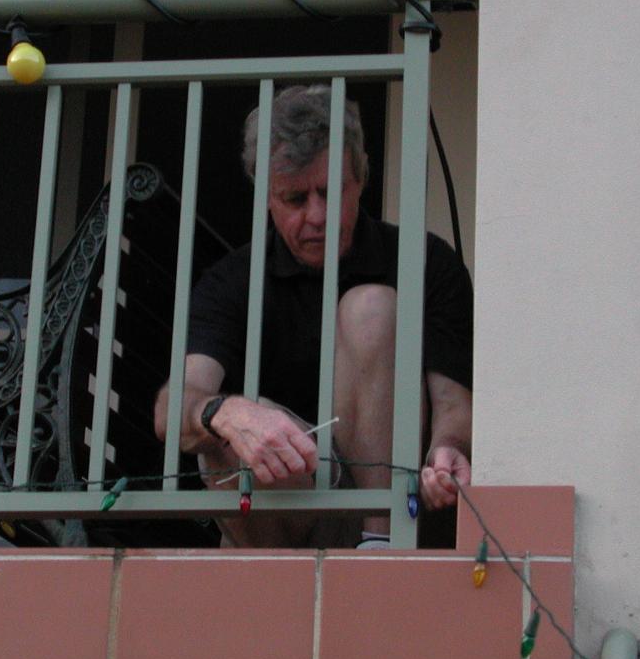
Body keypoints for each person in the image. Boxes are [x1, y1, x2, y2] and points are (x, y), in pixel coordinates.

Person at [153, 84, 473, 547]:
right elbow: (171, 410)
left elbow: (454, 408)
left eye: (330, 192)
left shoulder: (424, 260)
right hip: (283, 514)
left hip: (404, 512)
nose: (318, 215)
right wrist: (229, 413)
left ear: (361, 180)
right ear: (266, 197)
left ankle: (376, 550)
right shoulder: (233, 279)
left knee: (371, 308)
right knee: (224, 429)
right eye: (296, 199)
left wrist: (449, 452)